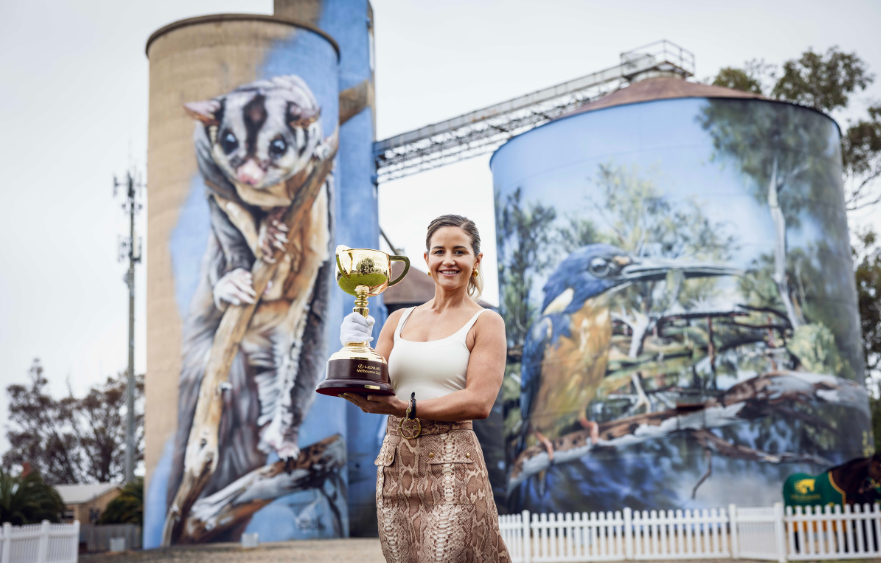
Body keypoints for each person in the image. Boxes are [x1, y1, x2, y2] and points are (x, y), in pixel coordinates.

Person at [339, 214, 510, 563]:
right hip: (395, 466)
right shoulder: (397, 320)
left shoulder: (486, 321)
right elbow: (372, 385)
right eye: (439, 251)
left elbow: (479, 402)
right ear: (426, 260)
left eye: (459, 251)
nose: (448, 260)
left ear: (476, 261)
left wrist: (404, 408)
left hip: (453, 466)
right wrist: (353, 347)